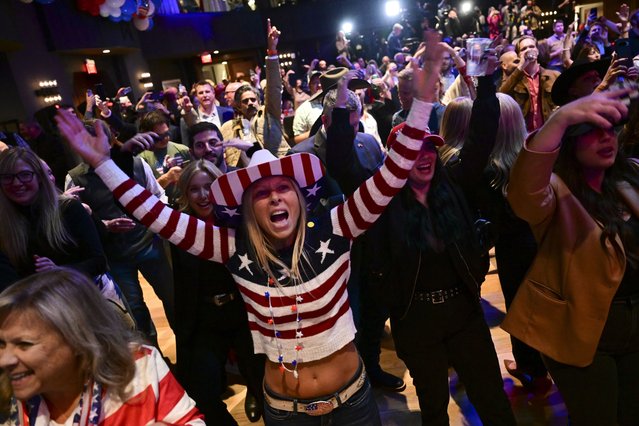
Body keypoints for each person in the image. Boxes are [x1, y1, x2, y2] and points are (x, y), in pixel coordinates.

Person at [55, 28, 444, 426]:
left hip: (353, 405)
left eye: (283, 188)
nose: (275, 197)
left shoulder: (339, 225)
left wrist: (423, 103)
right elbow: (159, 217)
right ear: (248, 207)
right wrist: (103, 164)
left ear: (301, 196)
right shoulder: (231, 248)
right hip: (286, 412)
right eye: (262, 193)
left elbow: (393, 175)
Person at [337, 49, 517, 425]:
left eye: (430, 147)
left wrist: (482, 79)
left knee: (492, 399)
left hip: (464, 312)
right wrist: (341, 104)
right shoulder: (381, 200)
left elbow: (482, 137)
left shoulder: (453, 181)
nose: (424, 156)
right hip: (415, 318)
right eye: (413, 149)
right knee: (434, 406)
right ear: (397, 157)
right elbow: (341, 163)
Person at [502, 88, 639, 424]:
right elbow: (524, 188)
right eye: (591, 132)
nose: (606, 139)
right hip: (584, 333)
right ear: (571, 143)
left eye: (610, 130)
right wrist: (560, 119)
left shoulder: (628, 178)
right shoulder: (554, 193)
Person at [0, 268, 204, 425]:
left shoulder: (134, 366)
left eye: (24, 344)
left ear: (77, 340)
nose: (4, 360)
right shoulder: (10, 401)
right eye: (1, 344)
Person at [173, 160, 265, 424]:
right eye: (194, 189)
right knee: (202, 395)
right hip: (204, 317)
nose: (203, 195)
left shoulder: (240, 221)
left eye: (209, 186)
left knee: (264, 385)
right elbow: (181, 285)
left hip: (245, 313)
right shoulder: (181, 228)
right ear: (185, 194)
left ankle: (254, 394)